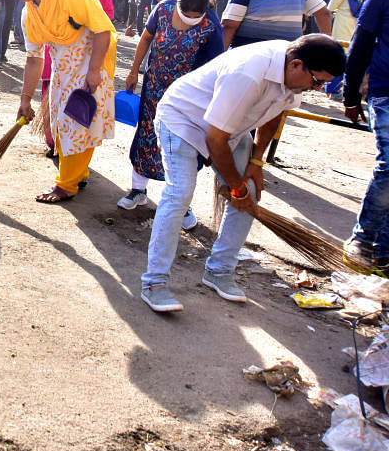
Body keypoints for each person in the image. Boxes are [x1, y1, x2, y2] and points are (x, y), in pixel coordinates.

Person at [139, 34, 345, 312]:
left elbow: (274, 114)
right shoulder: (249, 73)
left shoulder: (291, 77)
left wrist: (256, 163)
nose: (316, 89)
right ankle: (154, 282)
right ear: (296, 65)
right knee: (180, 194)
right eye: (317, 81)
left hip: (228, 128)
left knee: (251, 191)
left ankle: (219, 270)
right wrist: (236, 188)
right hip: (183, 118)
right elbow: (215, 140)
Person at [6, 0, 117, 203]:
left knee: (76, 125)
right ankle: (78, 174)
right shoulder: (29, 12)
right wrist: (25, 99)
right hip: (62, 73)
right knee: (63, 126)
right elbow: (34, 58)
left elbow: (102, 30)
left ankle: (66, 186)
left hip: (89, 67)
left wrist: (94, 70)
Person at [118, 0, 225, 229]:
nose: (191, 19)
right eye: (186, 13)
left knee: (182, 146)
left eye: (196, 16)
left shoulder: (211, 26)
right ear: (178, 3)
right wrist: (134, 71)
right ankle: (137, 190)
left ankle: (181, 203)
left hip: (188, 99)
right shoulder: (164, 9)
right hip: (154, 88)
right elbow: (146, 38)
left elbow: (216, 66)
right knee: (146, 136)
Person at [343, 0, 389, 269]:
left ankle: (384, 248)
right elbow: (360, 45)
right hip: (386, 91)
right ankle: (364, 239)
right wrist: (350, 95)